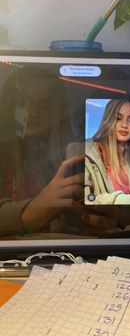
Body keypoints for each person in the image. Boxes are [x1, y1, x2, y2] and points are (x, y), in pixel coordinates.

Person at [0, 65, 85, 236]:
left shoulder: (68, 159)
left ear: (57, 112)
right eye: (23, 103)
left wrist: (101, 219)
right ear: (9, 107)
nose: (33, 112)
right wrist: (29, 212)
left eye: (45, 106)